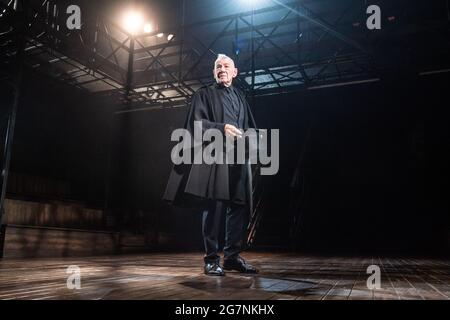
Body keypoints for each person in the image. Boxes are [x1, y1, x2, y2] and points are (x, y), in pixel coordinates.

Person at [163, 54, 259, 276]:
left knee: (239, 206)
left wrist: (254, 141)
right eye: (218, 66)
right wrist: (221, 128)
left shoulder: (241, 97)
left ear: (235, 72)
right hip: (215, 156)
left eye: (226, 66)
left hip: (238, 159)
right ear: (213, 72)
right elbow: (195, 125)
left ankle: (232, 258)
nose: (222, 69)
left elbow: (250, 127)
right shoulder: (204, 94)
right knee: (215, 206)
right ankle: (211, 259)